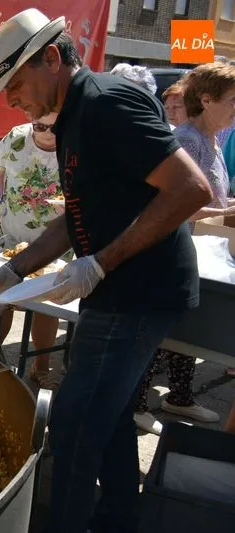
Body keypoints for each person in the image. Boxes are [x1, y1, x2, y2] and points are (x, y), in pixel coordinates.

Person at [0, 9, 212, 533]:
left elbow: (191, 189)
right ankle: (117, 519)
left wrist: (100, 263)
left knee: (74, 426)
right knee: (109, 419)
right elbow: (75, 215)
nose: (11, 100)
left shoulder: (107, 102)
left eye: (14, 85)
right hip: (115, 288)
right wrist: (15, 269)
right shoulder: (70, 118)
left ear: (51, 59)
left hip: (139, 291)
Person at [107, 63, 222, 433]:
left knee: (185, 326)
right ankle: (138, 404)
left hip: (200, 249)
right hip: (172, 248)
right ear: (208, 101)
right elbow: (174, 200)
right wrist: (223, 212)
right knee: (161, 331)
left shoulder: (211, 139)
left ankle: (180, 396)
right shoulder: (187, 140)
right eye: (233, 100)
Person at [0, 112, 63, 388]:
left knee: (47, 305)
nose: (48, 133)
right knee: (1, 297)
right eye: (41, 126)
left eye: (56, 127)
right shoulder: (16, 138)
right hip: (12, 242)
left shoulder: (76, 143)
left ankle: (40, 367)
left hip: (56, 244)